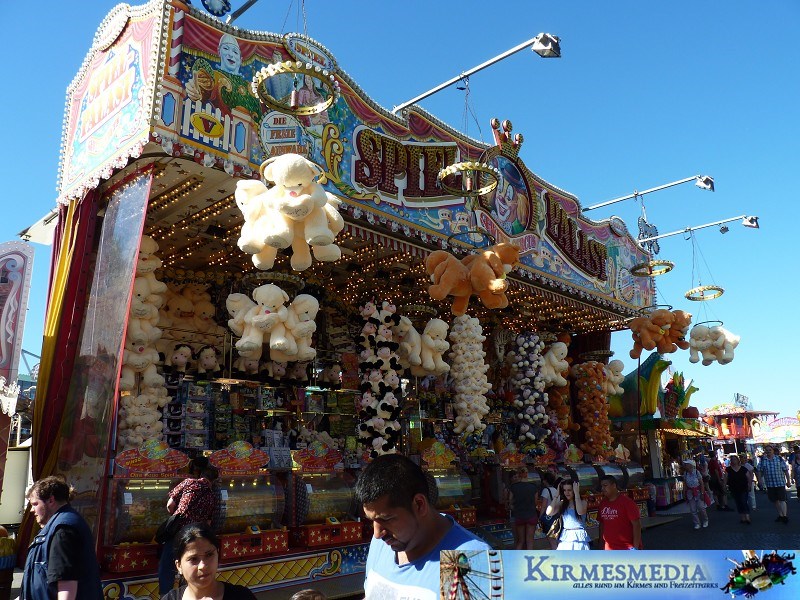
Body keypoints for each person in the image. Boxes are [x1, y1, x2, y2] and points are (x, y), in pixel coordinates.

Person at [354, 454, 490, 600]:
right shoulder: (382, 542)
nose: (377, 533)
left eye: (386, 519)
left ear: (419, 504)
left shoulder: (468, 560)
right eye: (372, 520)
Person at [21, 476, 103, 600]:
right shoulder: (60, 524)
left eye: (35, 504)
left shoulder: (63, 530)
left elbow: (66, 583)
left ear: (51, 500)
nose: (32, 510)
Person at [159, 457, 218, 595]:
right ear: (213, 481)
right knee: (191, 563)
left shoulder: (188, 483)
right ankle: (186, 592)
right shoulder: (212, 496)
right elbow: (208, 523)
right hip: (194, 537)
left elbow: (170, 505)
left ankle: (165, 594)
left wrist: (177, 515)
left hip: (177, 532)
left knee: (167, 565)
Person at [160, 523, 256, 599]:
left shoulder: (241, 596)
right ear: (179, 566)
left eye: (209, 555)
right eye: (193, 559)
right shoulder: (170, 598)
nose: (203, 566)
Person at [597, 475, 642, 550]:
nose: (602, 489)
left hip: (627, 548)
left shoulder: (627, 503)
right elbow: (602, 524)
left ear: (614, 486)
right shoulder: (602, 503)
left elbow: (636, 525)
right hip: (609, 548)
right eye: (601, 486)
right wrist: (601, 544)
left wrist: (635, 547)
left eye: (605, 485)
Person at [546, 479, 590, 550]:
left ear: (574, 490)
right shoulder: (562, 503)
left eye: (569, 490)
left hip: (579, 537)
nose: (567, 493)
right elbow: (549, 513)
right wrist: (556, 495)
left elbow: (580, 511)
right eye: (564, 490)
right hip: (565, 536)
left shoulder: (583, 502)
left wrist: (577, 493)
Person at [504, 466, 539, 550]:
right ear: (527, 474)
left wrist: (515, 506)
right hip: (531, 514)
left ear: (519, 474)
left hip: (519, 515)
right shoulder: (533, 487)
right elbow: (535, 502)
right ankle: (530, 557)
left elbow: (510, 502)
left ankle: (517, 556)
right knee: (530, 541)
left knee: (520, 541)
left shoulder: (514, 487)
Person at [757, 444, 791, 523]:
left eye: (770, 450)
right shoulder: (763, 460)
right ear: (765, 451)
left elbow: (785, 470)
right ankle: (781, 515)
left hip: (780, 483)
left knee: (782, 500)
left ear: (773, 451)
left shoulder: (779, 458)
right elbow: (759, 471)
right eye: (767, 450)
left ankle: (785, 516)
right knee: (775, 500)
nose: (768, 451)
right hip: (770, 484)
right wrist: (759, 480)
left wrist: (788, 481)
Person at [681, 458, 709, 529]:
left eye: (686, 464)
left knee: (701, 507)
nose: (685, 465)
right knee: (693, 509)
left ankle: (705, 520)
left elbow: (701, 483)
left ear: (690, 465)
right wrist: (684, 493)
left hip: (698, 491)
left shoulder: (697, 472)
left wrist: (702, 493)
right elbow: (685, 484)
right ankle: (697, 523)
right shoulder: (685, 473)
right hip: (690, 493)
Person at [726, 454, 753, 524]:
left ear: (738, 460)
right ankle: (742, 517)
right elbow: (726, 478)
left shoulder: (743, 469)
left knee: (744, 501)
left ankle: (747, 516)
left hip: (744, 488)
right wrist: (725, 486)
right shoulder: (728, 469)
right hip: (734, 488)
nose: (733, 461)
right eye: (732, 460)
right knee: (738, 502)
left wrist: (749, 485)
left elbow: (749, 478)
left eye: (735, 459)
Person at [538, 471, 560, 550]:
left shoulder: (545, 490)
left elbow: (544, 506)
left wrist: (540, 517)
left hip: (549, 519)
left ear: (545, 481)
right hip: (556, 517)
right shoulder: (555, 490)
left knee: (551, 541)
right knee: (556, 540)